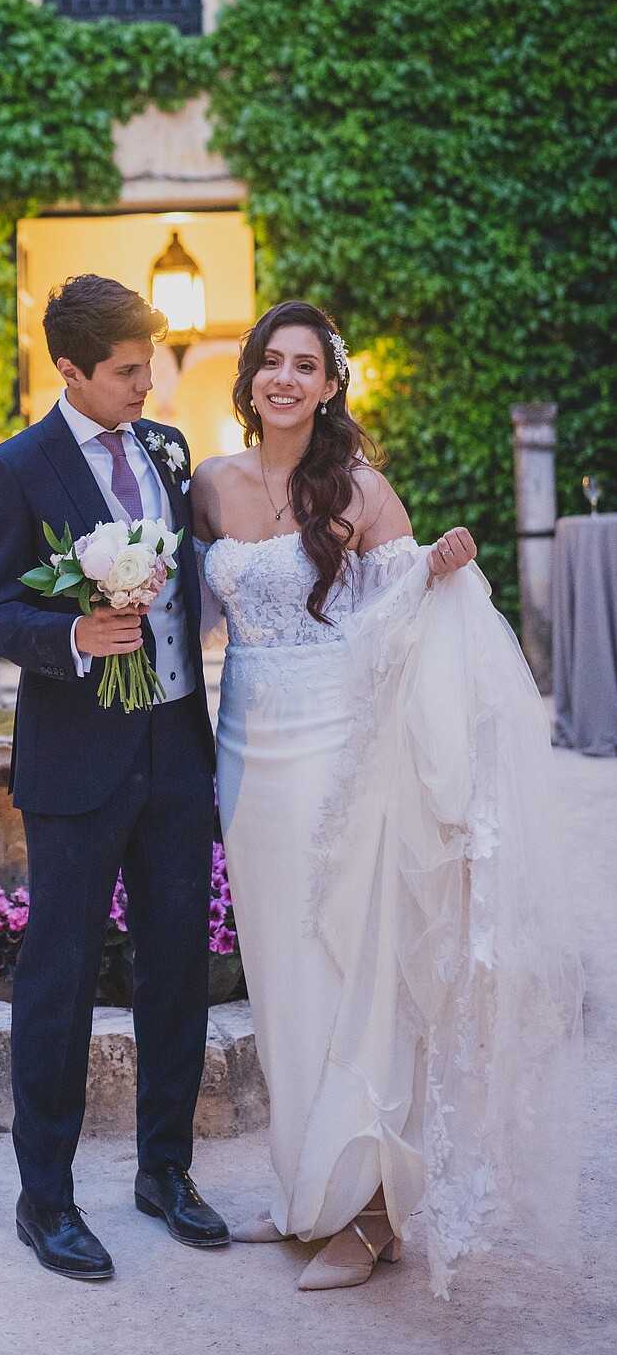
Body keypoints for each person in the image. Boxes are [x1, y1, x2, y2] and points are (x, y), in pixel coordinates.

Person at [194, 299, 583, 1295]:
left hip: (338, 751)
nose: (285, 377)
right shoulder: (209, 484)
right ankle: (306, 1190)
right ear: (250, 378)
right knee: (281, 975)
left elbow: (398, 615)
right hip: (247, 752)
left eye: (305, 364)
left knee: (352, 968)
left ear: (329, 386)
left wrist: (438, 567)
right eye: (270, 361)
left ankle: (371, 1214)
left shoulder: (361, 487)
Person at [0, 273, 226, 1281]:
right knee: (60, 978)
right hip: (76, 760)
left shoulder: (167, 447)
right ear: (67, 369)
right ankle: (47, 1200)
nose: (146, 383)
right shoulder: (14, 470)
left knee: (178, 969)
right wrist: (73, 631)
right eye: (126, 370)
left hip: (175, 748)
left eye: (150, 363)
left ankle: (166, 1170)